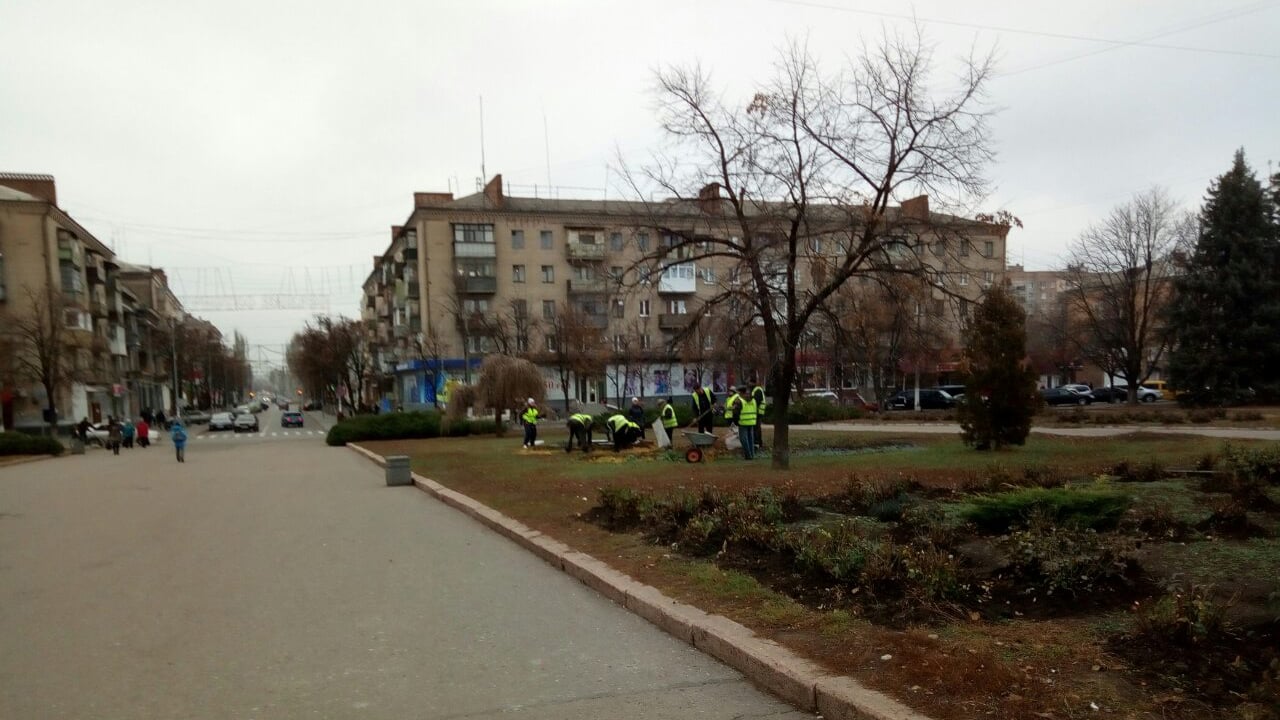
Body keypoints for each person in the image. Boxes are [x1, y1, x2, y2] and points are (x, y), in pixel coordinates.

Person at [731, 384, 759, 460]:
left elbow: (736, 413)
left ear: (740, 392)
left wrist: (736, 422)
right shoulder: (753, 399)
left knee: (743, 439)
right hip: (752, 422)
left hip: (743, 422)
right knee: (751, 439)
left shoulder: (739, 401)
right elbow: (756, 410)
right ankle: (752, 455)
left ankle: (748, 456)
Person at [751, 381, 767, 451]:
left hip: (757, 412)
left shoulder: (757, 390)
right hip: (758, 412)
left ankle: (756, 444)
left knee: (756, 428)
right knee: (757, 428)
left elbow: (756, 402)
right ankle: (758, 443)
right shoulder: (758, 390)